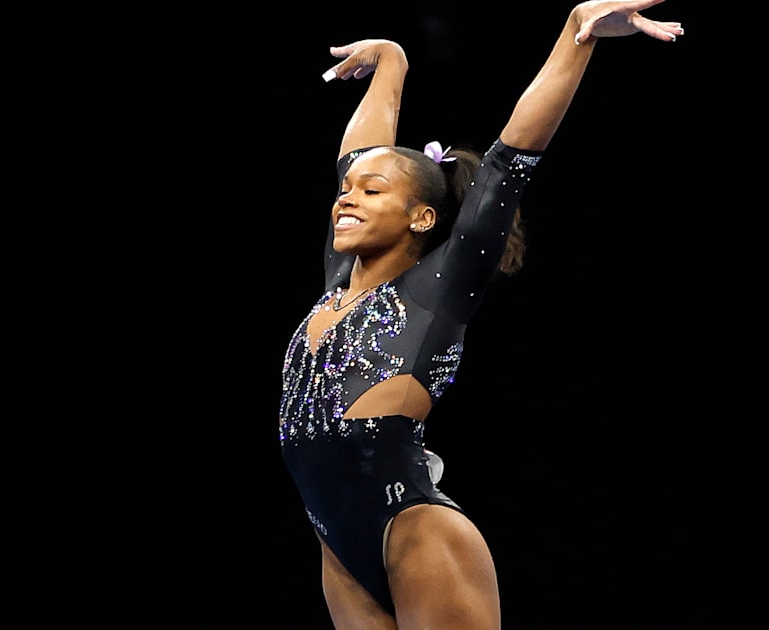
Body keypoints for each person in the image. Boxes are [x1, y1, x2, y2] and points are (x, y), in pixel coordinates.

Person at [277, 2, 684, 628]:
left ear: (421, 217)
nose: (346, 200)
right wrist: (391, 60)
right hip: (335, 544)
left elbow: (510, 159)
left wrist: (578, 33)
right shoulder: (340, 283)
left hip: (414, 529)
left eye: (372, 191)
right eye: (344, 192)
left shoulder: (438, 287)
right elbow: (359, 152)